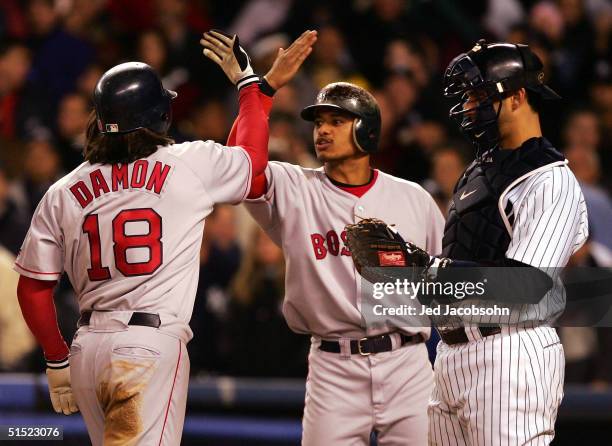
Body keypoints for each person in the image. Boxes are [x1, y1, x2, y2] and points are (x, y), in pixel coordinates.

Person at [15, 30, 315, 445]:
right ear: (159, 115)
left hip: (86, 352)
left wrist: (55, 358)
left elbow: (33, 288)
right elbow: (252, 164)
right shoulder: (185, 163)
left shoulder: (63, 189)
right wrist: (251, 87)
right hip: (146, 347)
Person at [349, 40, 589, 445]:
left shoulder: (550, 179)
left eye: (480, 95)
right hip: (452, 355)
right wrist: (407, 266)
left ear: (516, 97)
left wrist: (427, 268)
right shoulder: (478, 171)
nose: (471, 105)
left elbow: (529, 288)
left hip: (509, 354)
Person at [207, 40, 445, 444]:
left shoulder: (413, 198)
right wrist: (258, 90)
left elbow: (447, 286)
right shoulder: (294, 187)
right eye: (319, 122)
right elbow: (241, 166)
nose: (323, 130)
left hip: (407, 363)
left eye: (336, 120)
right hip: (334, 369)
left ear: (366, 129)